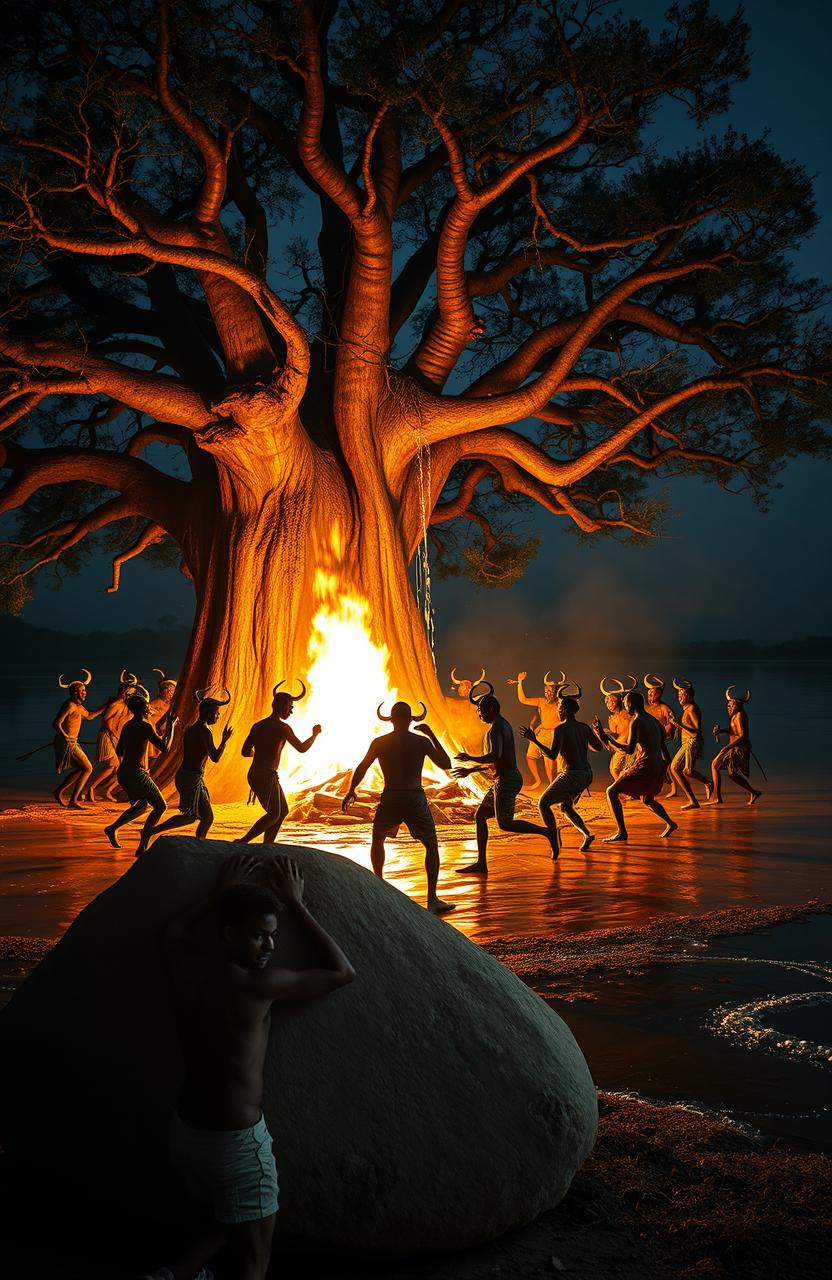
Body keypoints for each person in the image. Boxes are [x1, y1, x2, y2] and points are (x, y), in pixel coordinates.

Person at [143, 851, 355, 1280]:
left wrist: (214, 895)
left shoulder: (185, 970)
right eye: (260, 936)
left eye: (273, 936)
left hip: (185, 1134)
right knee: (254, 1262)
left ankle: (176, 1274)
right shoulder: (258, 986)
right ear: (228, 934)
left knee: (223, 1218)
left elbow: (174, 930)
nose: (270, 947)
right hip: (235, 1142)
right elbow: (342, 972)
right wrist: (296, 904)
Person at [342, 700, 455, 914]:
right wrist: (431, 734)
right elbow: (446, 763)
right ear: (411, 720)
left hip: (391, 796)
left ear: (391, 720)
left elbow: (363, 766)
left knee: (378, 838)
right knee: (431, 845)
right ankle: (432, 899)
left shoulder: (380, 742)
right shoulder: (421, 741)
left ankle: (379, 888)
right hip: (414, 797)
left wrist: (351, 789)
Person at [452, 681, 559, 872]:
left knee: (505, 823)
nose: (479, 714)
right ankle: (481, 863)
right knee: (481, 816)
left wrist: (469, 758)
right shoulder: (500, 725)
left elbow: (495, 756)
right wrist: (471, 770)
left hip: (507, 780)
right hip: (503, 779)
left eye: (481, 710)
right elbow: (495, 762)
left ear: (491, 708)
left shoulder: (496, 728)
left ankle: (548, 832)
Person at [521, 686, 604, 855]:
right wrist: (597, 732)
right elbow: (598, 747)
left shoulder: (561, 728)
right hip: (586, 775)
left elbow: (551, 755)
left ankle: (553, 838)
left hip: (571, 775)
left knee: (543, 803)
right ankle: (587, 834)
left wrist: (534, 740)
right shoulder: (584, 728)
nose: (557, 711)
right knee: (566, 807)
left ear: (564, 710)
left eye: (559, 708)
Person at [149, 688, 234, 844]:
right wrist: (224, 740)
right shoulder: (204, 732)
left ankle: (199, 844)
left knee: (207, 817)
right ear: (208, 712)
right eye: (216, 712)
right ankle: (151, 831)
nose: (218, 715)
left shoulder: (191, 728)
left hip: (189, 776)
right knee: (191, 816)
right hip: (191, 778)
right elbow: (215, 757)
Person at [240, 681, 320, 844]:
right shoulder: (282, 728)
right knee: (275, 813)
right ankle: (243, 841)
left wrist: (260, 754)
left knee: (282, 811)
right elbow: (302, 748)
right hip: (266, 776)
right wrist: (314, 735)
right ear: (282, 705)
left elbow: (245, 751)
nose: (291, 711)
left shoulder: (258, 726)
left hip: (255, 774)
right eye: (290, 707)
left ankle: (268, 844)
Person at [593, 690, 677, 842]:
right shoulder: (653, 721)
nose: (625, 707)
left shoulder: (636, 721)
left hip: (645, 765)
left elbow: (629, 749)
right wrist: (663, 768)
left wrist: (609, 738)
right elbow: (665, 750)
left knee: (611, 791)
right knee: (647, 800)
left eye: (625, 704)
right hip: (657, 765)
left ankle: (621, 832)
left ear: (630, 704)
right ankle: (671, 823)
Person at [103, 686, 178, 853]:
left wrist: (135, 759)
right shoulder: (145, 726)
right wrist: (171, 726)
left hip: (125, 772)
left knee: (143, 805)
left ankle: (113, 828)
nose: (149, 708)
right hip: (136, 773)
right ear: (143, 709)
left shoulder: (128, 726)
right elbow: (165, 747)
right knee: (160, 806)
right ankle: (144, 840)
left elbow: (119, 750)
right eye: (146, 706)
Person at [51, 669, 105, 808]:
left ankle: (59, 792)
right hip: (67, 742)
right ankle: (73, 800)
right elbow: (56, 724)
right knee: (88, 768)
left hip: (71, 742)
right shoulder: (70, 705)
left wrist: (105, 706)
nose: (84, 692)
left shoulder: (78, 706)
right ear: (74, 692)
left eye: (85, 690)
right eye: (81, 690)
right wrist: (66, 737)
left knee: (83, 768)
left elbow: (89, 716)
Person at [84, 669, 138, 803]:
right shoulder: (115, 704)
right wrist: (115, 734)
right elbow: (106, 721)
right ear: (124, 692)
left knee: (119, 768)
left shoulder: (126, 706)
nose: (131, 696)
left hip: (116, 737)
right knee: (112, 764)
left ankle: (105, 791)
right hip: (107, 736)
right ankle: (90, 788)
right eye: (130, 693)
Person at [506, 669, 565, 788]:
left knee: (549, 763)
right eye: (546, 690)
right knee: (530, 756)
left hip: (555, 734)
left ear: (556, 692)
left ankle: (552, 786)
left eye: (550, 690)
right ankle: (538, 781)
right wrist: (520, 683)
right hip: (542, 734)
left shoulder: (560, 703)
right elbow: (523, 700)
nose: (547, 693)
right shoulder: (541, 702)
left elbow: (561, 720)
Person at [709, 685, 762, 806]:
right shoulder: (735, 716)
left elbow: (742, 736)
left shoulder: (740, 716)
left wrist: (726, 747)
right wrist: (721, 731)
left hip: (739, 748)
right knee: (732, 774)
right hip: (736, 747)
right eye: (728, 705)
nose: (728, 707)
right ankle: (754, 792)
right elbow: (735, 731)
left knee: (714, 764)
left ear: (737, 705)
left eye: (731, 705)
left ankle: (717, 797)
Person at [667, 677, 712, 809]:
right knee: (681, 769)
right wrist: (676, 726)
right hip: (687, 742)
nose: (680, 697)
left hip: (692, 742)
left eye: (683, 695)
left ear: (690, 695)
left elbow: (696, 730)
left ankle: (701, 791)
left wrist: (680, 724)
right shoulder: (687, 708)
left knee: (681, 769)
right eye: (678, 695)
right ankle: (698, 793)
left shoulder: (692, 708)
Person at [644, 674, 679, 796]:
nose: (650, 696)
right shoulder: (647, 709)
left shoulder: (664, 708)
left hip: (659, 742)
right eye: (649, 693)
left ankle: (673, 788)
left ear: (659, 694)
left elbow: (671, 725)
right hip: (648, 743)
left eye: (653, 693)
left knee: (666, 764)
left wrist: (660, 735)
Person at [599, 676, 636, 780]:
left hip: (630, 749)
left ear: (619, 700)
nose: (609, 704)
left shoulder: (629, 715)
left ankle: (630, 791)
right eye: (607, 702)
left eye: (611, 701)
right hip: (619, 749)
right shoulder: (611, 718)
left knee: (625, 771)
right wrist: (604, 733)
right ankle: (626, 790)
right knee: (614, 770)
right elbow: (615, 735)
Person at [148, 668, 177, 762]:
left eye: (172, 690)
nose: (170, 692)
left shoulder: (172, 705)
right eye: (167, 690)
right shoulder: (153, 704)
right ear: (161, 691)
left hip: (167, 738)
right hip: (153, 742)